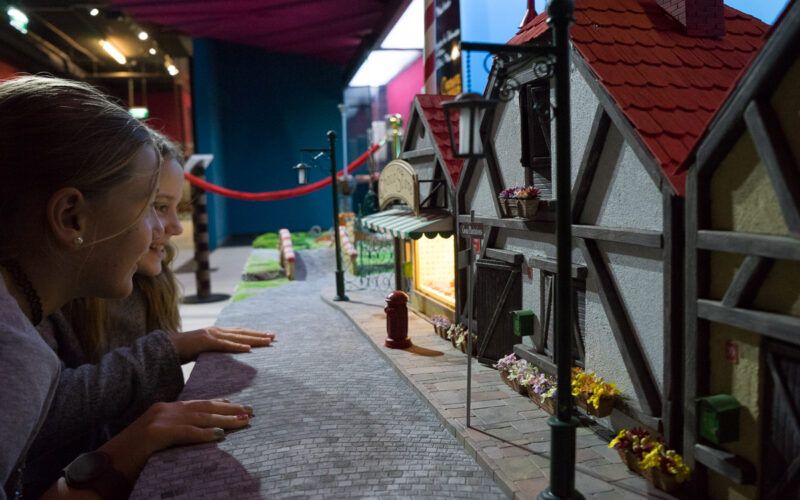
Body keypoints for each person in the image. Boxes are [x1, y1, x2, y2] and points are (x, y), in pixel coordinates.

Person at [0, 75, 253, 500]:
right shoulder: (13, 354)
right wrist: (120, 456)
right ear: (71, 218)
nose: (164, 230)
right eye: (147, 207)